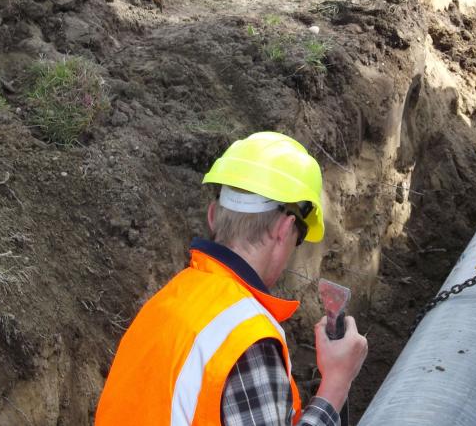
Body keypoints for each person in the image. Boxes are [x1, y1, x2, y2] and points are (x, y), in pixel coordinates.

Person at [96, 132, 367, 426]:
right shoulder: (247, 340)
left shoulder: (168, 302)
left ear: (213, 215)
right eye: (298, 238)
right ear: (284, 228)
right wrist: (335, 385)